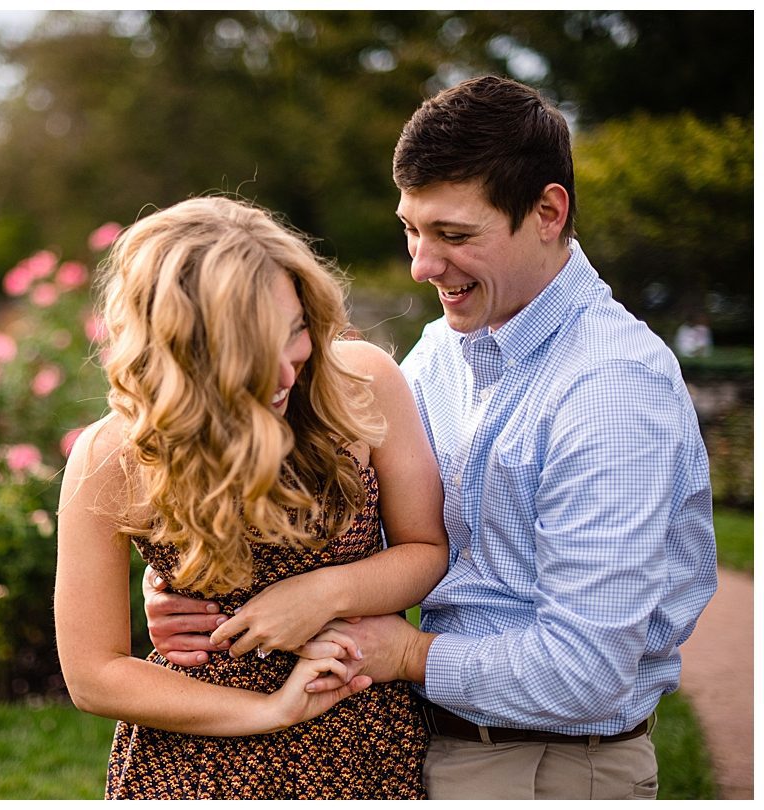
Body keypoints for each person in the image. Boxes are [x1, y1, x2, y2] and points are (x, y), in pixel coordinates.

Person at [147, 76, 717, 800]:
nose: (422, 264)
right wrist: (184, 584)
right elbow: (337, 515)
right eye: (411, 229)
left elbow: (588, 672)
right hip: (432, 742)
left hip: (552, 766)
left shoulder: (610, 390)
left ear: (547, 211)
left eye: (453, 235)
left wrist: (409, 653)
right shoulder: (436, 355)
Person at [55, 195, 451, 798]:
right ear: (185, 352)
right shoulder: (113, 457)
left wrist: (322, 593)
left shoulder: (360, 386)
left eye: (294, 331)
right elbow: (94, 675)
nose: (287, 374)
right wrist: (269, 710)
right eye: (252, 354)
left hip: (361, 733)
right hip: (193, 757)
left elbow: (426, 549)